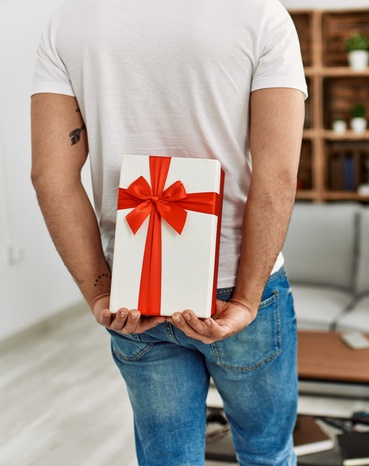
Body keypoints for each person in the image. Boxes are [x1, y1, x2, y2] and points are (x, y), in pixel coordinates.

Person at [30, 1, 306, 465]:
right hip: (238, 287)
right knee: (267, 453)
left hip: (135, 291)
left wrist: (101, 291)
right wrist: (245, 300)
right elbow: (277, 175)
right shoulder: (261, 15)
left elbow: (50, 176)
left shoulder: (69, 20)